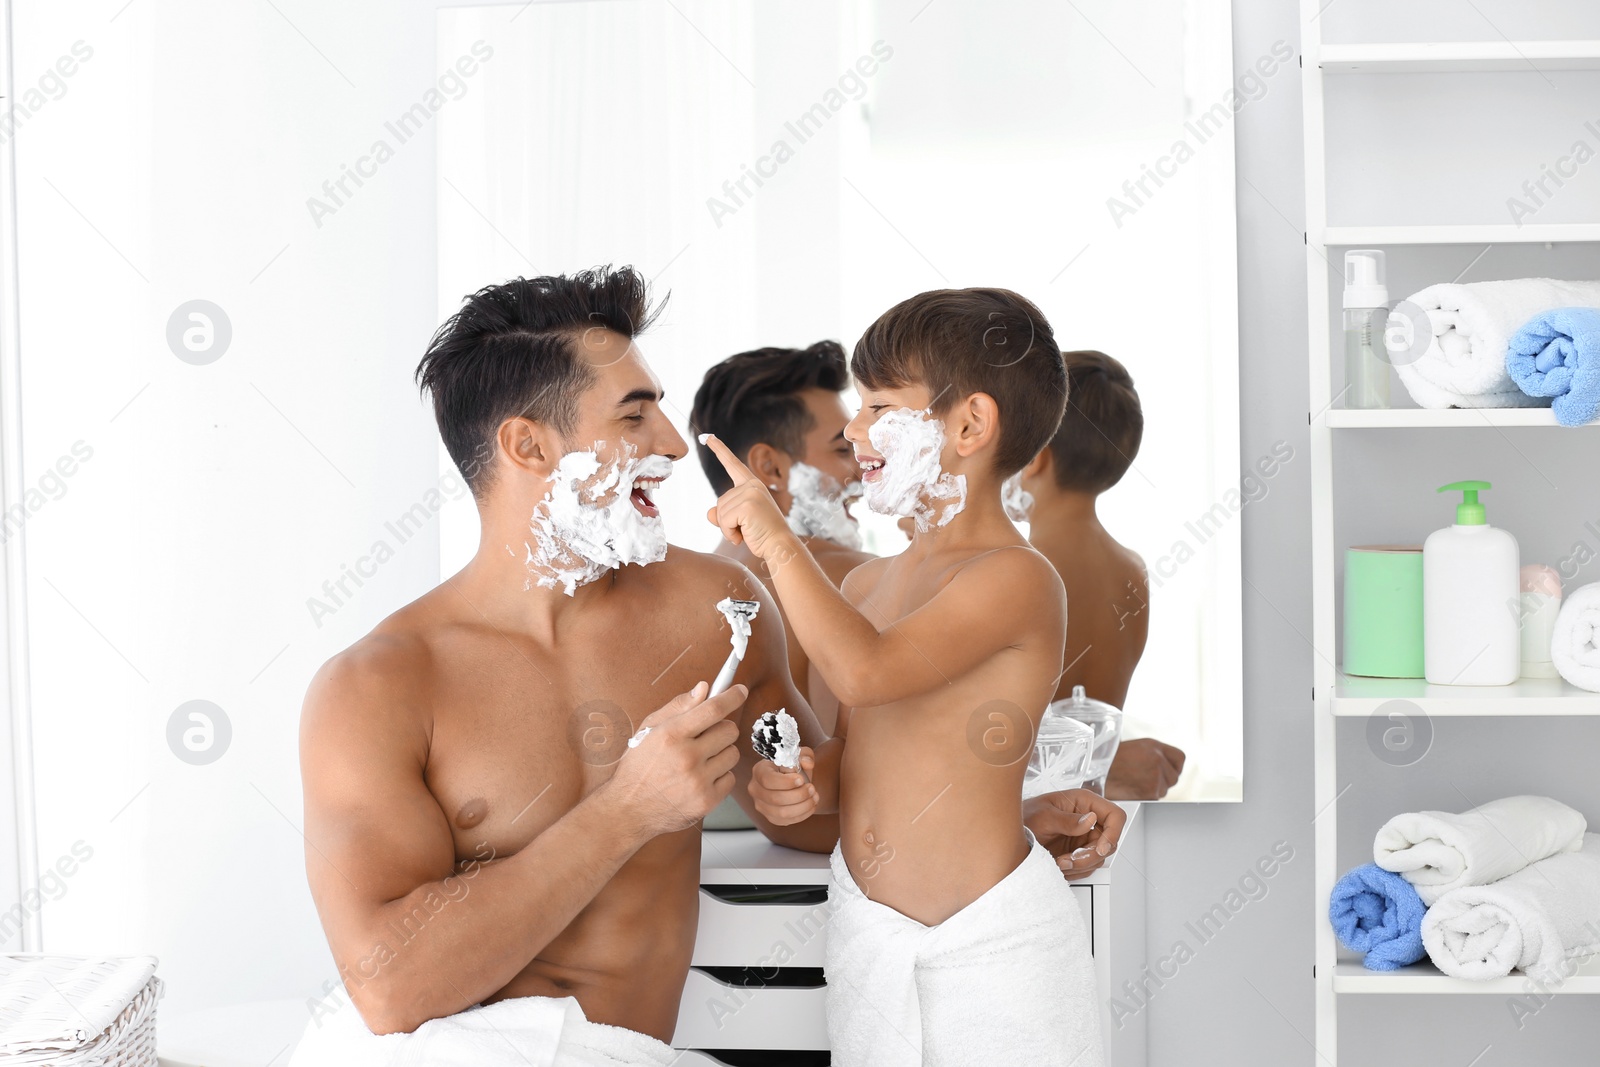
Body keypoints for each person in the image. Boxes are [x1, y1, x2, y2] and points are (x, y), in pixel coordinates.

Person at [292, 268, 1123, 1064]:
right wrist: (629, 809)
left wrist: (1000, 821)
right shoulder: (377, 687)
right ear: (528, 445)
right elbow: (389, 987)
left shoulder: (715, 617)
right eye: (634, 417)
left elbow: (806, 796)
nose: (669, 443)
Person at [703, 287, 1110, 1066]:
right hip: (876, 943)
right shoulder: (865, 587)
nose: (854, 430)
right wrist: (804, 784)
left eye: (880, 404)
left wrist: (775, 537)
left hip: (991, 951)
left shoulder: (1015, 577)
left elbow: (865, 671)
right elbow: (858, 763)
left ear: (968, 426)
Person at [1016, 349, 1186, 800]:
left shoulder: (1016, 569)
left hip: (1025, 811)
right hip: (1097, 805)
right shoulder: (1132, 569)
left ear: (1033, 457)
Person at [690, 341, 871, 730]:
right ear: (770, 468)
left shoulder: (689, 585)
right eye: (843, 450)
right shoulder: (853, 578)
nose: (860, 471)